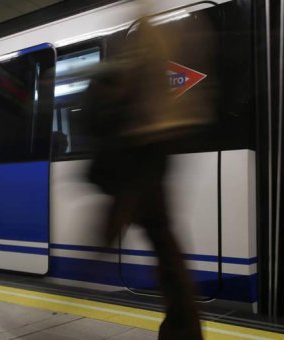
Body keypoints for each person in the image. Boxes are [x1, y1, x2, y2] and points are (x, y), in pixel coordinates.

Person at [83, 19, 209, 340]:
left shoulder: (115, 76)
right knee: (167, 251)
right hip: (150, 170)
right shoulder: (159, 78)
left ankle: (95, 258)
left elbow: (95, 122)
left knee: (154, 243)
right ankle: (184, 330)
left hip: (132, 172)